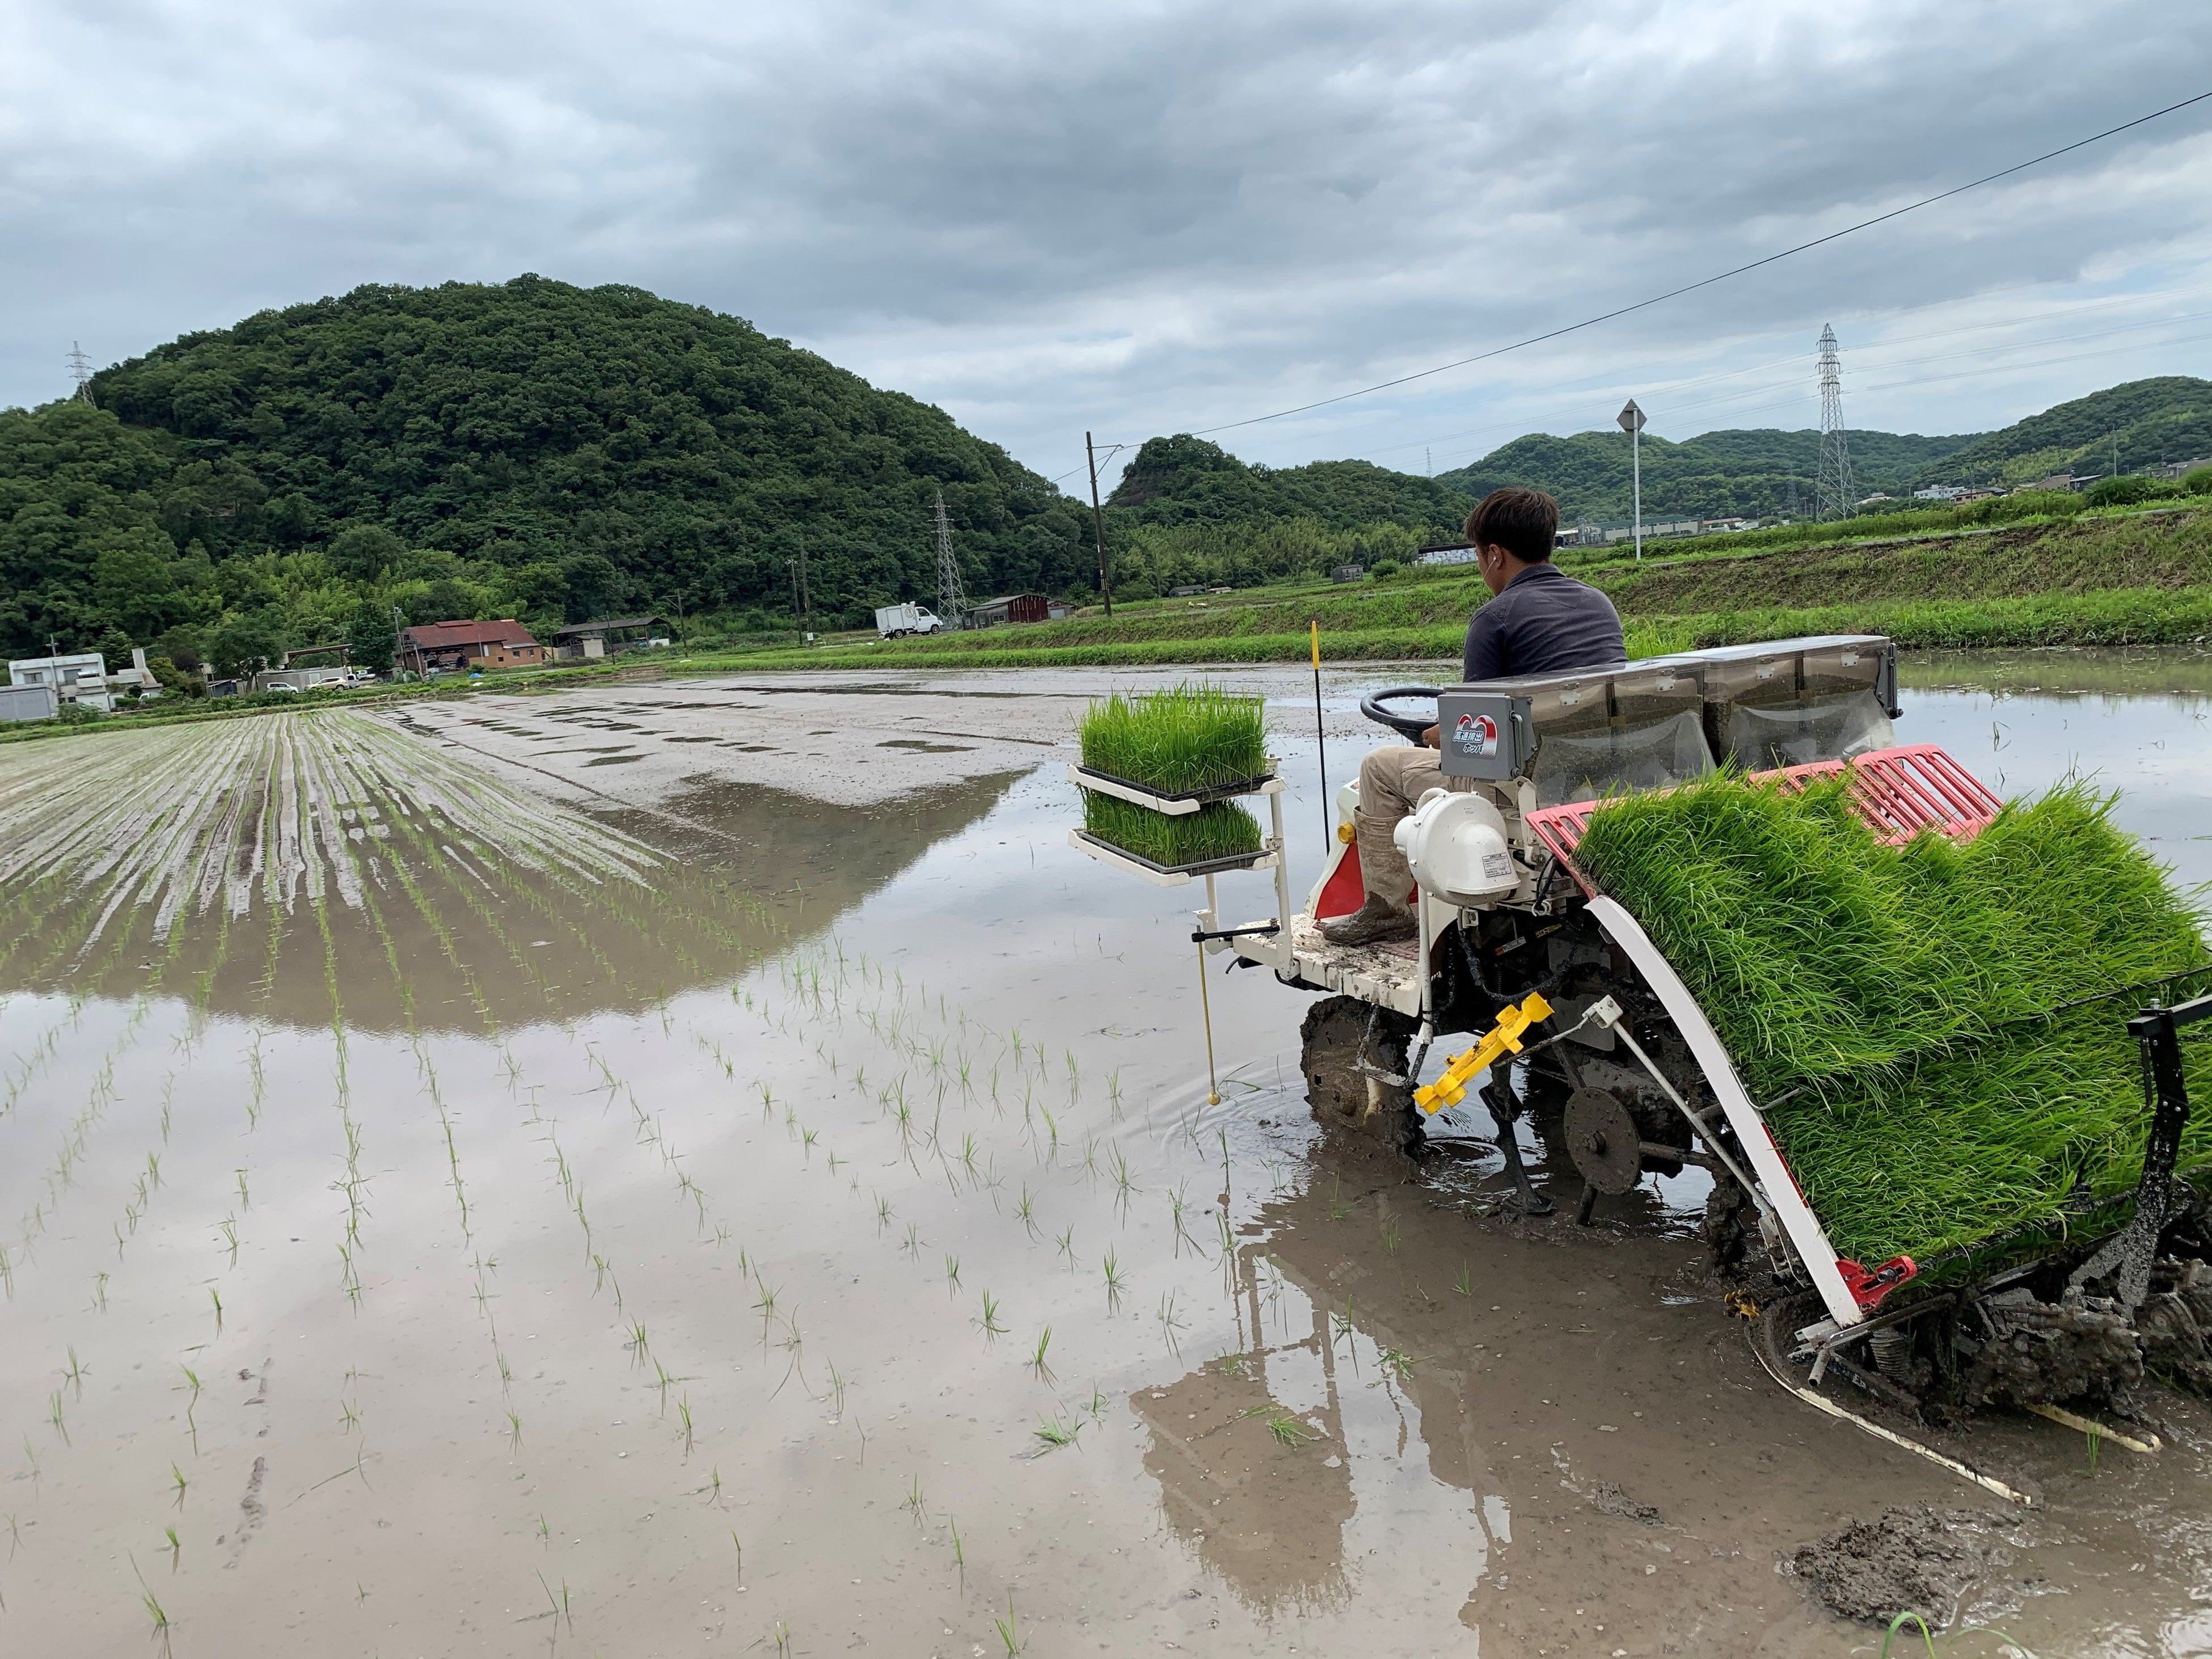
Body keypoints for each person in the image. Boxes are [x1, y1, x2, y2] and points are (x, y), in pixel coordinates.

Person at [1321, 486, 1626, 946]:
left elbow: (1474, 738)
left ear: (1495, 555)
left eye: (1479, 556)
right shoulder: (1598, 603)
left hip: (1517, 789)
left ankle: (1387, 912)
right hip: (1593, 772)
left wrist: (1435, 734)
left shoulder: (1496, 618)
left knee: (1379, 767)